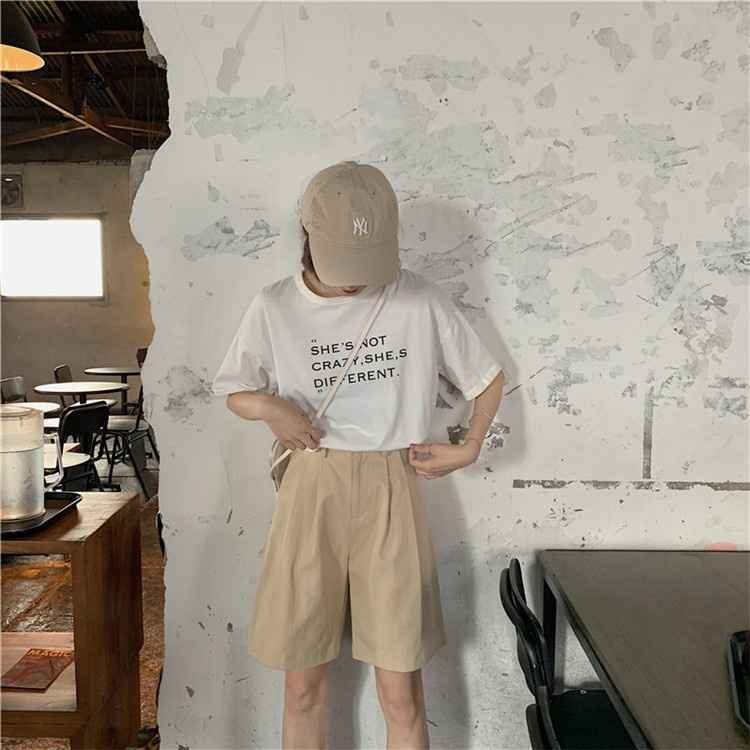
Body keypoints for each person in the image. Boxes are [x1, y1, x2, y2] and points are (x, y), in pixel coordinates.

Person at [212, 160, 505, 749]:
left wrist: (469, 445)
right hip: (311, 485)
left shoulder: (417, 298)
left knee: (401, 692)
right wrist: (272, 407)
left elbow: (487, 378)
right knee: (302, 687)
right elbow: (235, 389)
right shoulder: (275, 305)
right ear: (309, 237)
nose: (354, 282)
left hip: (393, 482)